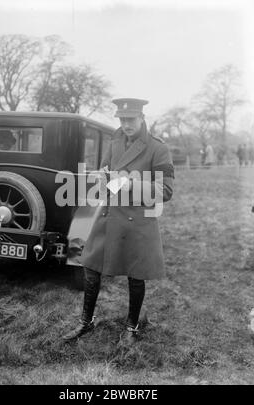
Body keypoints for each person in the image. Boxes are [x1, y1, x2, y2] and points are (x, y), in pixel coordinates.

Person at [63, 98, 174, 344]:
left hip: (138, 221)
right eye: (122, 120)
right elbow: (103, 170)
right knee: (90, 266)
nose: (126, 124)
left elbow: (165, 190)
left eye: (130, 119)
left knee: (136, 276)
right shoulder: (115, 141)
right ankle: (86, 321)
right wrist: (102, 177)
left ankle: (131, 326)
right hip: (109, 216)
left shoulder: (157, 148)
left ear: (142, 118)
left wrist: (132, 183)